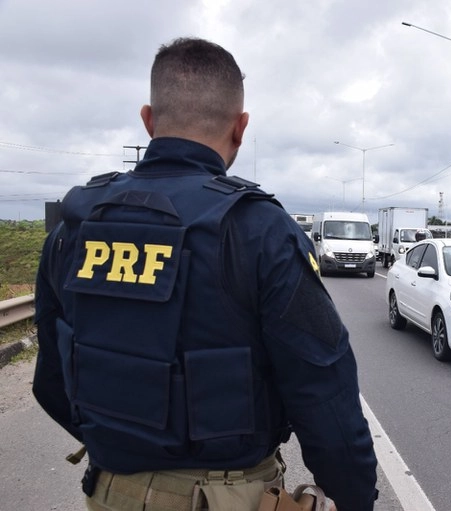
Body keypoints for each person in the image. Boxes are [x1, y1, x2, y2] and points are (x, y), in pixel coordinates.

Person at [33, 37, 378, 511]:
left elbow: (51, 382)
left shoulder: (74, 227)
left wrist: (127, 448)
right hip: (227, 497)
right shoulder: (259, 230)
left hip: (109, 490)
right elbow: (324, 396)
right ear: (241, 127)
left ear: (149, 119)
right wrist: (355, 499)